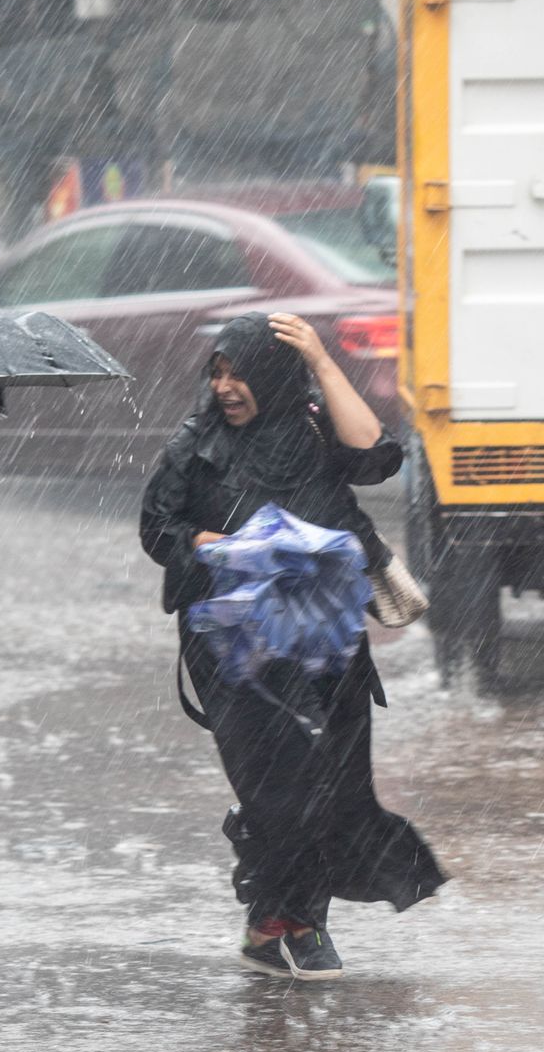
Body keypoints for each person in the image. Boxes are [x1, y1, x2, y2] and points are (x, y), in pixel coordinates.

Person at [139, 311, 445, 981]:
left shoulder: (311, 426)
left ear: (273, 375)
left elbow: (376, 453)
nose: (225, 386)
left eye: (238, 372)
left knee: (332, 785)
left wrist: (320, 357)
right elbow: (156, 523)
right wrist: (214, 545)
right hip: (229, 637)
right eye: (216, 372)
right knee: (278, 781)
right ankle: (291, 920)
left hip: (323, 629)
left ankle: (278, 923)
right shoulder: (196, 442)